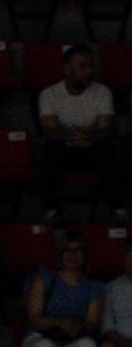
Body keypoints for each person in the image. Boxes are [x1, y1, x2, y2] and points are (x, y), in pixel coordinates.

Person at [36, 41, 120, 217]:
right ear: (67, 69)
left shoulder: (102, 92)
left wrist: (86, 136)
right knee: (49, 150)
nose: (89, 71)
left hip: (92, 148)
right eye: (82, 66)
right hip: (65, 149)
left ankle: (118, 209)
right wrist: (73, 136)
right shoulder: (49, 94)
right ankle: (51, 211)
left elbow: (105, 128)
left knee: (111, 149)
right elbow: (49, 130)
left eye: (91, 66)